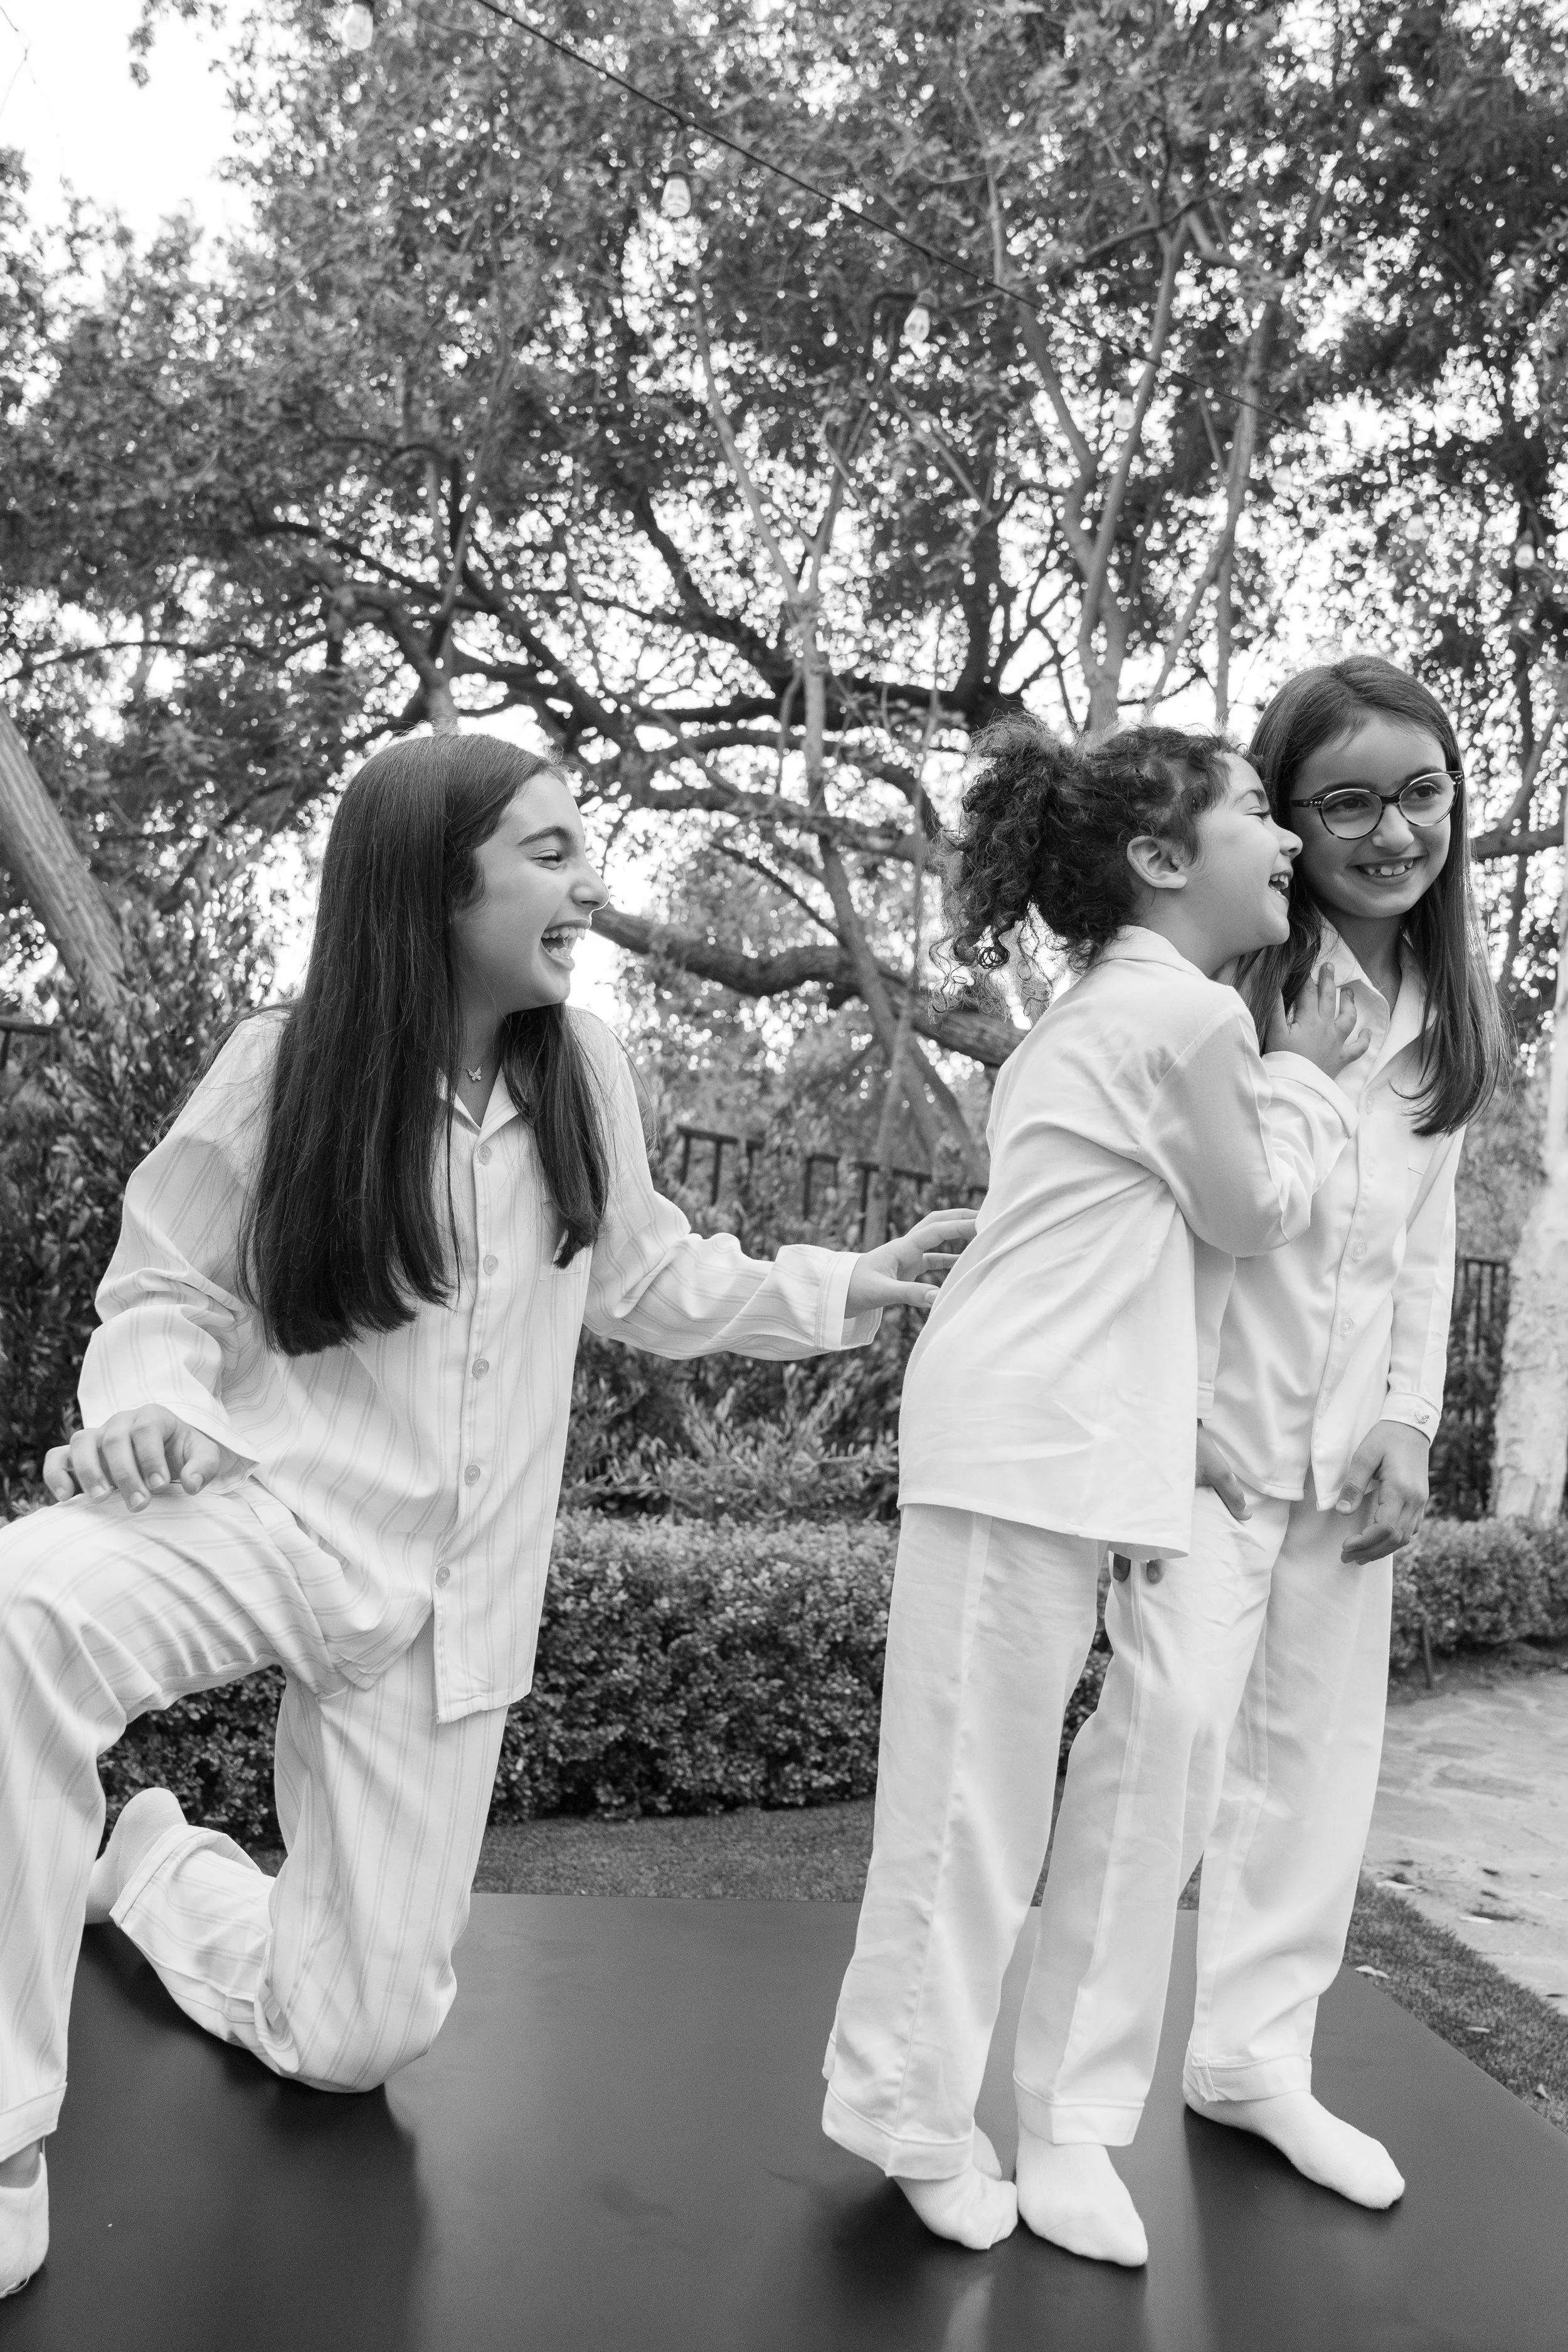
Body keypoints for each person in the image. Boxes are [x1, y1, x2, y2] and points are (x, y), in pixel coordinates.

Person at [0, 734, 974, 2301]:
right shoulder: (281, 1062)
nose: (586, 882)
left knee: (353, 2044)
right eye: (548, 849)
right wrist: (145, 1411)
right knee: (20, 1613)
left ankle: (155, 1866)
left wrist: (842, 1288)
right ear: (428, 883)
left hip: (450, 1608)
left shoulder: (585, 1076)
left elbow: (648, 1276)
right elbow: (165, 1289)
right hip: (264, 1512)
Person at [821, 715, 1368, 2252]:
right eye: (1259, 813)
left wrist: (1158, 1447)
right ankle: (917, 2131)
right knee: (961, 1820)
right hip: (1022, 1449)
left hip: (1050, 1440)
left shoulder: (1101, 1016)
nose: (1284, 842)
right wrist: (1308, 1078)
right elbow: (1250, 1213)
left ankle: (937, 2115)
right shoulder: (1183, 1021)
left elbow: (1108, 1268)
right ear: (1156, 859)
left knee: (976, 1806)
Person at [1020, 657, 1507, 2263]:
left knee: (1312, 1775)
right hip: (1207, 1454)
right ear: (1285, 822)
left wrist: (1408, 1422)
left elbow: (1420, 1244)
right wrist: (1164, 1426)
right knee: (1156, 1756)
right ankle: (1070, 2118)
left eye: (1419, 793)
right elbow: (1168, 1224)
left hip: (1338, 1471)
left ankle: (1250, 2065)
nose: (1388, 831)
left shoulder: (1440, 1009)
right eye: (1344, 801)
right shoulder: (1228, 984)